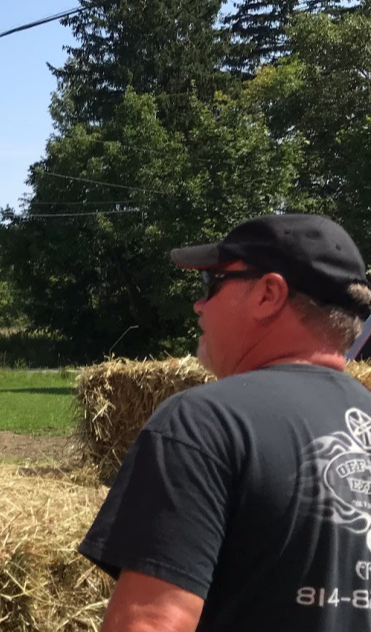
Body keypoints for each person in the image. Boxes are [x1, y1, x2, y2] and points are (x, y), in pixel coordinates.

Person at [80, 213, 371, 632]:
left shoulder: (204, 423)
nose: (200, 304)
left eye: (213, 283)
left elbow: (151, 623)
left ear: (268, 294)